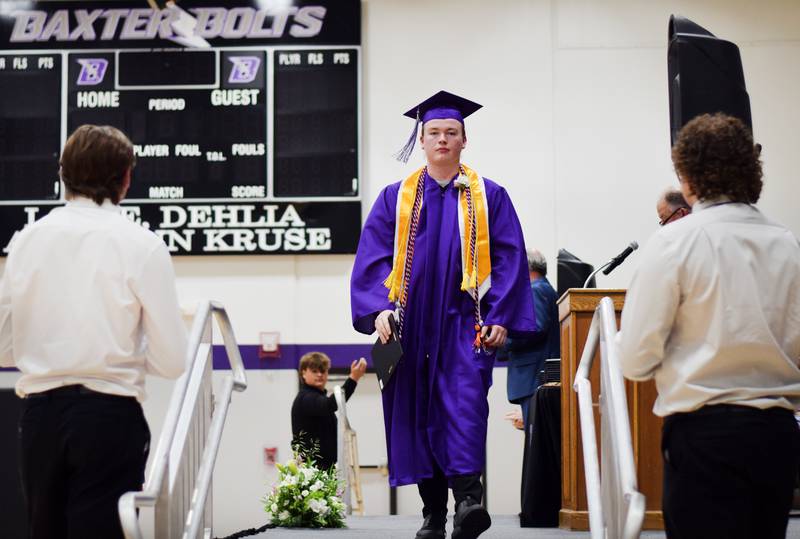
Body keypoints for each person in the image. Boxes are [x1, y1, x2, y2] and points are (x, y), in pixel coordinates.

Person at [350, 90, 535, 539]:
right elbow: (372, 259)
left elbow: (510, 258)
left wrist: (500, 316)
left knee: (464, 407)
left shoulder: (489, 197)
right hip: (408, 328)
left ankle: (469, 501)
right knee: (416, 414)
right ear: (422, 139)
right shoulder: (396, 199)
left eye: (451, 132)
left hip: (462, 323)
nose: (442, 140)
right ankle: (433, 513)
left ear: (464, 140)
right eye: (434, 132)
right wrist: (378, 310)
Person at [617, 113, 800, 539]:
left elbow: (636, 359)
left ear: (687, 175)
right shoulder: (787, 243)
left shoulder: (674, 241)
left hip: (704, 434)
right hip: (777, 433)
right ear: (751, 171)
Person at [0, 124, 188, 538]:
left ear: (62, 173)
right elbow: (173, 362)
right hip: (109, 414)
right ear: (126, 178)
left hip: (39, 415)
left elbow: (3, 346)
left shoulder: (25, 240)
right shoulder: (142, 244)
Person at [498, 248, 560, 427]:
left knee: (536, 441)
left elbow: (535, 329)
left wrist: (502, 339)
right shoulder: (544, 288)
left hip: (533, 376)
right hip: (536, 375)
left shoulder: (535, 291)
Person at [291, 352, 367, 470]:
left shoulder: (315, 397)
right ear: (303, 373)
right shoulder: (306, 398)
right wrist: (353, 379)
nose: (320, 374)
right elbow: (331, 404)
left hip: (323, 469)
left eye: (323, 371)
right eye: (315, 371)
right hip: (314, 471)